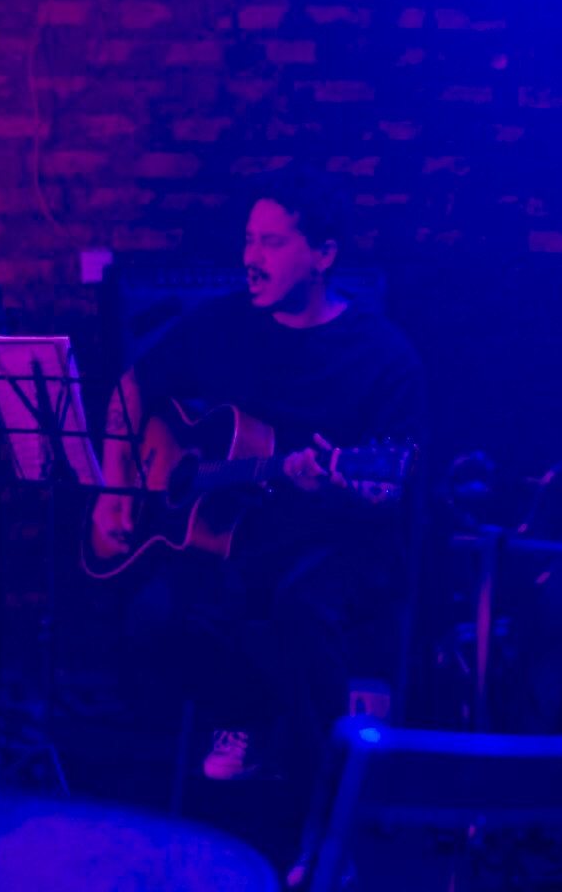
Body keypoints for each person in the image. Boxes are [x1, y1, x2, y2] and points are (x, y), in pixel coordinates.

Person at [89, 168, 424, 785]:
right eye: (249, 240)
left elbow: (390, 490)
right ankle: (248, 709)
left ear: (323, 255)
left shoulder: (383, 355)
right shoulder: (221, 325)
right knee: (149, 621)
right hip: (236, 536)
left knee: (302, 607)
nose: (251, 258)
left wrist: (340, 485)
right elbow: (132, 388)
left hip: (342, 540)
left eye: (272, 242)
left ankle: (326, 801)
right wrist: (113, 489)